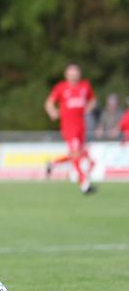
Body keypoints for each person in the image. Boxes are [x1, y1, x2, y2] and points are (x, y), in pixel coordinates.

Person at [44, 63, 97, 194]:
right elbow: (49, 103)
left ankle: (53, 163)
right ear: (66, 75)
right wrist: (52, 112)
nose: (73, 75)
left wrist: (87, 109)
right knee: (77, 155)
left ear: (79, 74)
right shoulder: (61, 88)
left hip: (81, 126)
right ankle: (84, 184)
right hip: (69, 127)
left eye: (76, 72)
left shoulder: (85, 86)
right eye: (71, 73)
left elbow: (93, 100)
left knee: (78, 154)